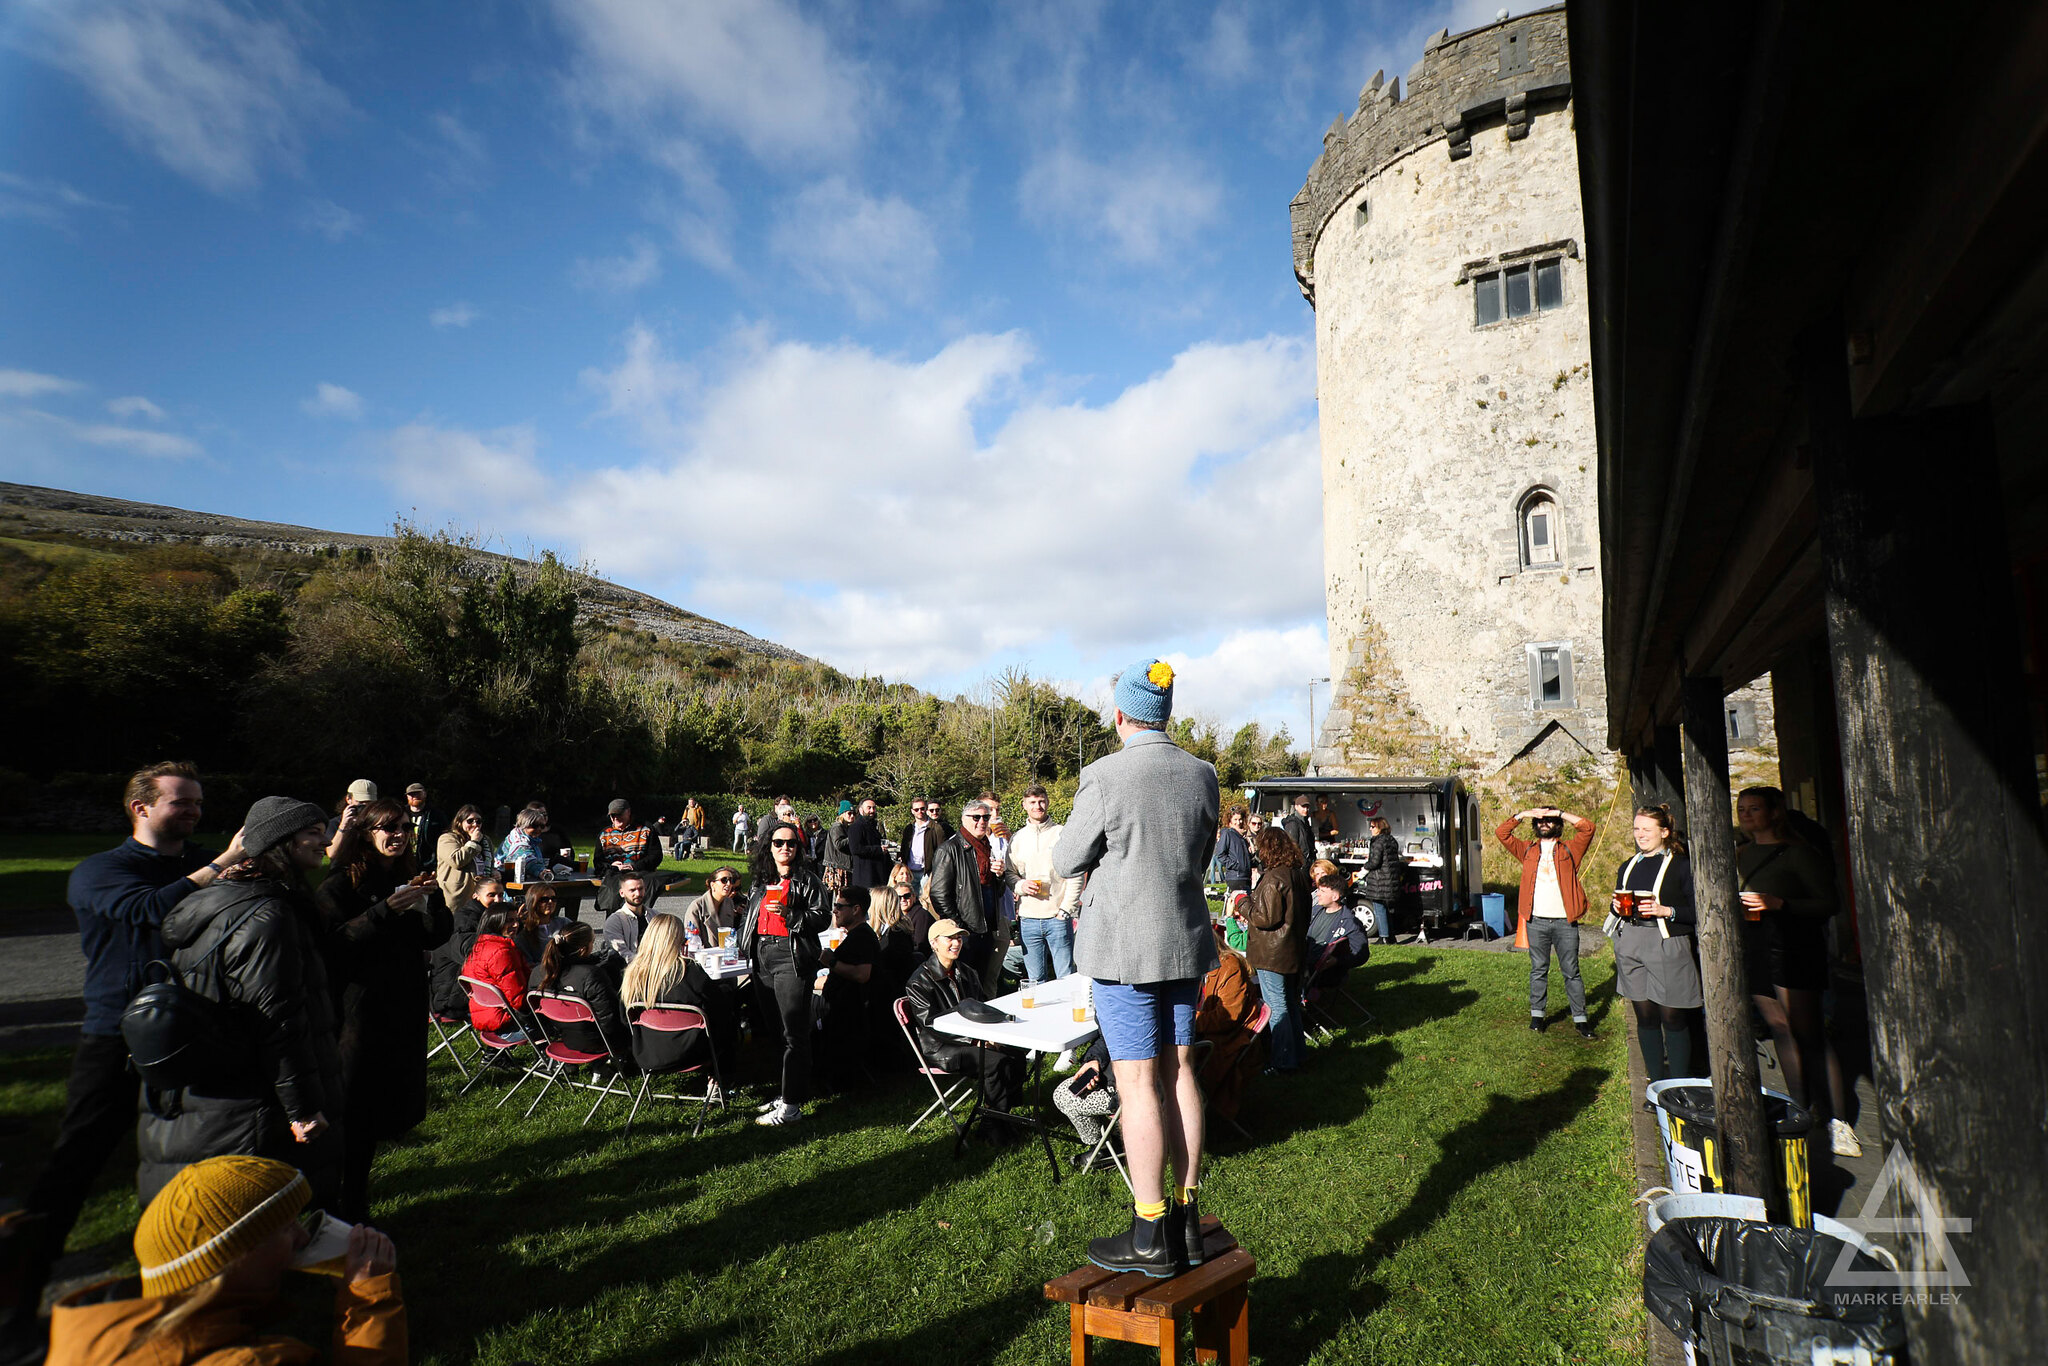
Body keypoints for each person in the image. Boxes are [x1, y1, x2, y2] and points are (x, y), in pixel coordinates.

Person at [1, 763, 250, 1355]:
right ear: (139, 807)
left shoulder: (203, 860)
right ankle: (16, 1305)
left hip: (188, 1035)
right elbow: (149, 911)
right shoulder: (101, 871)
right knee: (74, 1166)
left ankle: (193, 1300)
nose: (192, 810)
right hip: (114, 1036)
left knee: (189, 1161)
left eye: (196, 802)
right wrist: (218, 868)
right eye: (179, 801)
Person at [1054, 658, 1220, 1278]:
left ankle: (1149, 1230)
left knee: (1136, 1082)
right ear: (1166, 713)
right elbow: (1199, 856)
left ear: (1120, 715)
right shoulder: (1203, 775)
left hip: (1125, 949)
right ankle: (1186, 1217)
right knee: (1180, 1071)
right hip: (1184, 941)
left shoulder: (1104, 775)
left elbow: (1070, 856)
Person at [133, 798, 343, 1209]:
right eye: (314, 833)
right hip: (250, 1102)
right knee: (258, 1223)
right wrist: (302, 1108)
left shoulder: (227, 898)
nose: (327, 841)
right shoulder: (267, 917)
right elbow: (277, 1018)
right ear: (282, 842)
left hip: (217, 1089)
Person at [46, 1156, 404, 1366]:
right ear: (230, 1259)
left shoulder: (92, 1335)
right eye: (283, 1229)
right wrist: (369, 1301)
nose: (301, 1237)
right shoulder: (254, 1362)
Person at [314, 798, 453, 1222]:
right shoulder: (340, 885)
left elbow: (432, 938)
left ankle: (354, 1204)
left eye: (405, 828)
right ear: (365, 834)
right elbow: (332, 946)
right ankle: (330, 1209)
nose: (399, 835)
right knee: (350, 1115)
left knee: (376, 1117)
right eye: (388, 828)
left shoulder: (406, 877)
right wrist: (384, 910)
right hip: (358, 1015)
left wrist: (432, 901)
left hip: (401, 1011)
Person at [1736, 786, 1857, 1156]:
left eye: (1754, 808)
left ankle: (1840, 1123)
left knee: (1809, 1034)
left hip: (1793, 945)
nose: (1746, 814)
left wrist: (1780, 903)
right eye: (1741, 808)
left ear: (1775, 812)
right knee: (1781, 1030)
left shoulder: (1799, 852)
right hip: (1756, 943)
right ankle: (1802, 1109)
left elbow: (1829, 904)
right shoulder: (1740, 854)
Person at [736, 820, 832, 1127]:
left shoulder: (808, 880)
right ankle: (786, 1092)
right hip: (762, 956)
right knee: (775, 1029)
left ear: (798, 848)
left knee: (794, 1032)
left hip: (791, 956)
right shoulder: (760, 880)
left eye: (791, 843)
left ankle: (792, 1104)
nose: (785, 848)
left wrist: (791, 914)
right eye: (779, 843)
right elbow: (749, 918)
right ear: (769, 846)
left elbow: (822, 916)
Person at [903, 919, 1026, 1143]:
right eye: (949, 938)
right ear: (934, 943)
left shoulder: (967, 972)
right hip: (942, 1047)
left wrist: (994, 1035)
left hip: (974, 1039)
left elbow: (983, 1007)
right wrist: (973, 1041)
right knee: (995, 1061)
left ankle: (1001, 1115)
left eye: (959, 937)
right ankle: (992, 1123)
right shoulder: (919, 981)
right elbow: (931, 1024)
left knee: (1017, 1052)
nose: (956, 942)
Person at [1610, 804, 1700, 1085]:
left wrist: (1667, 911)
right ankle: (1655, 1082)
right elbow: (1619, 909)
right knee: (1645, 1017)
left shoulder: (1681, 866)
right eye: (1637, 829)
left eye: (1647, 829)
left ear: (1665, 832)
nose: (1640, 834)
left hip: (1667, 943)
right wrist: (1615, 908)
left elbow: (1699, 911)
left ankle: (1680, 1085)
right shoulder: (1628, 866)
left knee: (1672, 1017)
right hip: (1632, 941)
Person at [1496, 804, 1598, 1039]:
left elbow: (1587, 828)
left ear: (1558, 825)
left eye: (1549, 820)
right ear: (1535, 825)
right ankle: (1537, 1016)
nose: (1545, 823)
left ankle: (1581, 1019)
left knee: (1571, 971)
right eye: (1541, 821)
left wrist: (1560, 812)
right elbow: (1502, 833)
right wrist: (1523, 815)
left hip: (1565, 921)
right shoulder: (1527, 850)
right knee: (1538, 969)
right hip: (1536, 921)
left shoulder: (1570, 850)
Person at [621, 913, 730, 1083]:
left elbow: (624, 1018)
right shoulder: (690, 972)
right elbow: (719, 1013)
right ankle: (719, 1076)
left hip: (647, 1052)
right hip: (692, 1053)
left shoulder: (632, 975)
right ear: (678, 941)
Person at [1244, 826, 1310, 1076]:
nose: (1256, 852)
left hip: (1273, 953)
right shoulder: (1297, 874)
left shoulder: (1275, 878)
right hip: (1292, 949)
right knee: (1290, 1004)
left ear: (1267, 849)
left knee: (1277, 1008)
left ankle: (1283, 1061)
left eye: (1259, 847)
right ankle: (1298, 1055)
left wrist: (1242, 903)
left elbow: (1266, 918)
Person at [928, 800, 1012, 976]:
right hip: (964, 932)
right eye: (976, 817)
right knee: (965, 982)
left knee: (980, 981)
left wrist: (999, 876)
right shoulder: (950, 849)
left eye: (985, 817)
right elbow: (938, 895)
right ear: (964, 819)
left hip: (986, 929)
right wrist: (958, 927)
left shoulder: (987, 847)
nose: (981, 821)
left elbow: (996, 891)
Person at [1009, 783, 1081, 988]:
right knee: (1034, 981)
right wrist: (1021, 885)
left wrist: (1066, 910)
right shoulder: (1018, 838)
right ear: (1024, 805)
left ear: (1048, 802)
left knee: (1066, 978)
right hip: (1028, 919)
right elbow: (1009, 874)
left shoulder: (1062, 834)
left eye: (1041, 801)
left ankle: (1068, 1018)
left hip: (1057, 917)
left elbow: (1074, 873)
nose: (1037, 806)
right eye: (1032, 802)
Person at [529, 922, 632, 1062]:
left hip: (560, 1037)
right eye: (592, 942)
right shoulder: (592, 975)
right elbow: (610, 1020)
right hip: (598, 1042)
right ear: (583, 950)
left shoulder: (539, 972)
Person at [1195, 921, 1264, 1123]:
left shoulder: (1228, 966)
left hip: (1227, 1041)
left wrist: (1189, 1021)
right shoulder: (1200, 969)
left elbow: (1227, 1017)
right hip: (1208, 1034)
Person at [814, 891, 879, 1092]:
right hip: (843, 1007)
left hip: (847, 1012)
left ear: (856, 909)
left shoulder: (862, 937)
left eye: (840, 906)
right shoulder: (857, 935)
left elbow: (862, 975)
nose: (835, 910)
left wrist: (831, 961)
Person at [429, 876, 505, 1020]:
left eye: (501, 895)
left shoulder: (490, 916)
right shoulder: (466, 920)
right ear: (476, 896)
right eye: (491, 895)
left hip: (467, 988)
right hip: (450, 996)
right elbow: (471, 954)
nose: (498, 900)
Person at [459, 906, 533, 1039]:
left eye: (517, 920)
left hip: (485, 1017)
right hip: (510, 1024)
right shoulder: (503, 951)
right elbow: (518, 1001)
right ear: (496, 922)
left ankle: (493, 1054)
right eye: (509, 921)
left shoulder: (479, 945)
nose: (516, 924)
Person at [1052, 1038, 1120, 1168]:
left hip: (1131, 1090)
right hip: (1118, 1076)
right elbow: (1108, 1037)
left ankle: (1105, 1148)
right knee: (1069, 1091)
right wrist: (1094, 1059)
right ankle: (1112, 1138)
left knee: (1064, 1096)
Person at [594, 798, 663, 915]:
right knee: (612, 897)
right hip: (614, 874)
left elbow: (656, 855)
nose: (616, 818)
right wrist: (612, 866)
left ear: (628, 812)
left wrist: (635, 866)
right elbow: (598, 861)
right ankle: (615, 924)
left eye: (619, 814)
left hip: (640, 872)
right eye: (612, 815)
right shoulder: (604, 833)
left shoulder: (645, 829)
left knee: (640, 894)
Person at [434, 805, 495, 909]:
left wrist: (494, 871)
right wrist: (474, 842)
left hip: (481, 894)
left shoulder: (485, 841)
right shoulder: (447, 838)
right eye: (470, 821)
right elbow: (457, 861)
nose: (475, 824)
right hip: (458, 895)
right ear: (459, 822)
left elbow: (489, 862)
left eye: (478, 821)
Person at [1360, 814, 1404, 943]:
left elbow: (1374, 862)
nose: (1370, 829)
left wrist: (1364, 868)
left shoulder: (1378, 842)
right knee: (1386, 909)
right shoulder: (1391, 840)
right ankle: (1391, 937)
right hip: (1390, 879)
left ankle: (1383, 937)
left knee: (1379, 908)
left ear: (1379, 827)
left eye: (1373, 826)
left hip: (1380, 880)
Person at [511, 883, 572, 965]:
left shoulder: (564, 923)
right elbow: (528, 965)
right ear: (533, 901)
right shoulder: (524, 931)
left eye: (553, 898)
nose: (550, 902)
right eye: (544, 899)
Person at [601, 870, 654, 962]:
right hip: (628, 969)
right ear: (622, 893)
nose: (637, 894)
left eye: (640, 889)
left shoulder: (655, 916)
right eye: (632, 890)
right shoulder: (614, 921)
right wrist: (645, 964)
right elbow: (622, 953)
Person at [679, 866, 743, 940]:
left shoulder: (729, 903)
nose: (728, 884)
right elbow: (691, 940)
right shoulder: (697, 907)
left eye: (731, 881)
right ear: (713, 885)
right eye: (724, 880)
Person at [322, 779, 378, 861]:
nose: (365, 808)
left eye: (370, 804)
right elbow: (331, 854)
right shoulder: (335, 824)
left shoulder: (376, 822)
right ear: (348, 799)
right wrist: (343, 826)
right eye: (361, 803)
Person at [887, 861, 933, 959]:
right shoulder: (893, 913)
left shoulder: (921, 916)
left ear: (914, 897)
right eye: (899, 897)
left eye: (907, 896)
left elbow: (920, 945)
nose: (903, 899)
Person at [496, 806, 551, 884]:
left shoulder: (527, 837)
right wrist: (541, 871)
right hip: (506, 878)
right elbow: (526, 859)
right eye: (534, 826)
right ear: (523, 825)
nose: (538, 829)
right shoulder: (519, 842)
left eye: (542, 826)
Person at [848, 798, 889, 889]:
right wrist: (879, 849)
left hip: (877, 876)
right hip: (865, 877)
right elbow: (856, 849)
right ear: (861, 810)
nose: (872, 811)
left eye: (874, 808)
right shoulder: (856, 827)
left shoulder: (873, 826)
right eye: (869, 808)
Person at [1214, 806, 1253, 897]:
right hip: (1236, 877)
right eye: (1235, 819)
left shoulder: (1242, 836)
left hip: (1245, 876)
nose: (1238, 822)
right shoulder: (1228, 834)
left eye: (1240, 819)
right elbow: (1220, 854)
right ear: (1230, 820)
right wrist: (1235, 865)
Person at [401, 784, 442, 869]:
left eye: (418, 793)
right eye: (411, 794)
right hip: (405, 862)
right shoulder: (401, 814)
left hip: (429, 864)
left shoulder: (436, 815)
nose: (414, 796)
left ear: (425, 794)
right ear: (407, 796)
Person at [822, 800, 856, 891]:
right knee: (838, 897)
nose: (852, 816)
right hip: (837, 867)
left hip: (844, 866)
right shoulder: (837, 827)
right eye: (849, 813)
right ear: (842, 814)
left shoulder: (847, 827)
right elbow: (839, 844)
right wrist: (854, 837)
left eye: (854, 814)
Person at [1281, 794, 1317, 864]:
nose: (1306, 809)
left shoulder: (1305, 822)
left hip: (1307, 862)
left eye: (1307, 807)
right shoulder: (1292, 823)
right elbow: (1291, 846)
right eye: (1303, 807)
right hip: (1299, 863)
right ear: (1296, 807)